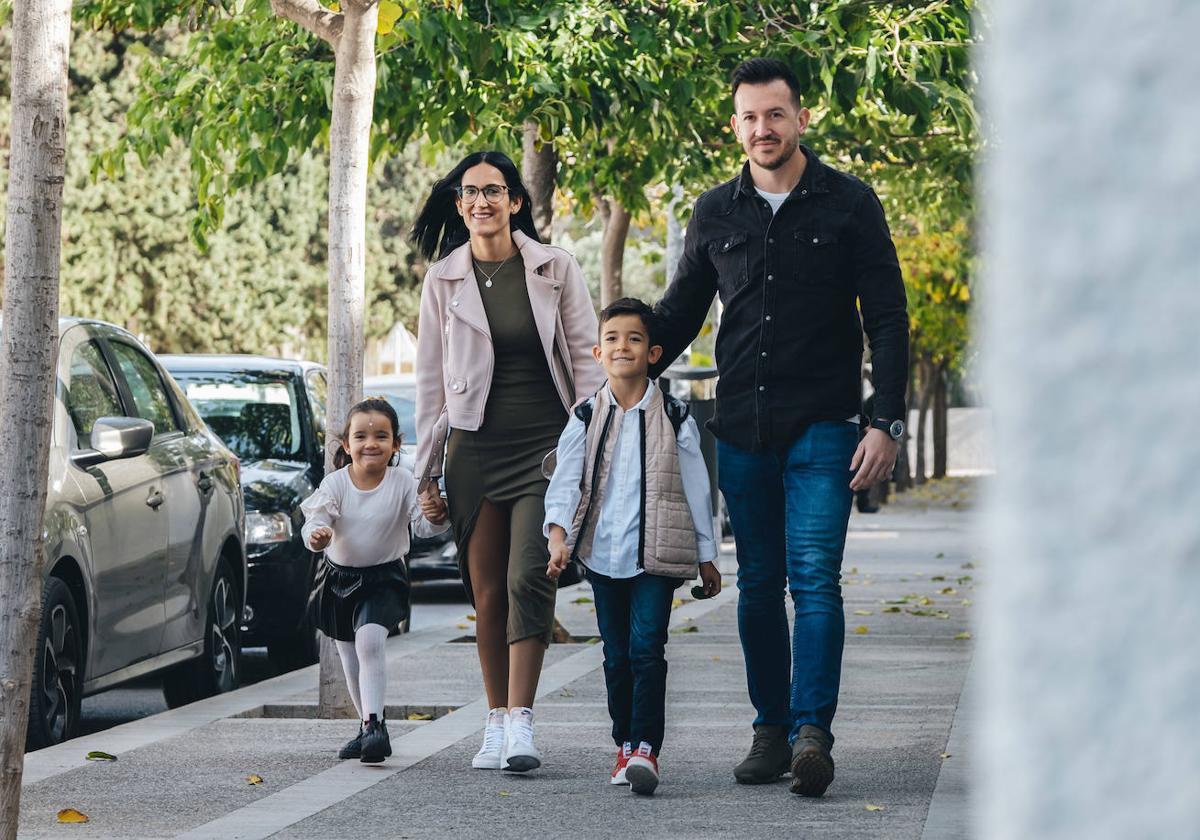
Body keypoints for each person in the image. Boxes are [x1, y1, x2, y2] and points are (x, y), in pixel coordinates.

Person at [651, 58, 910, 797]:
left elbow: (887, 319)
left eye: (775, 114)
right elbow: (680, 315)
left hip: (826, 426)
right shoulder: (714, 213)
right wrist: (621, 362)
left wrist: (885, 422)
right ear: (734, 126)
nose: (762, 129)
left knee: (815, 581)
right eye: (749, 117)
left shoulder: (849, 204)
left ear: (801, 118)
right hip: (741, 427)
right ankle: (770, 730)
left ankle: (811, 735)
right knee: (758, 586)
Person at [412, 151, 605, 773]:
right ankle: (493, 722)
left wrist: (592, 447)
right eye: (469, 193)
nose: (481, 202)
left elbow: (585, 361)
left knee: (530, 575)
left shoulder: (555, 268)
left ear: (515, 202)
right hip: (474, 449)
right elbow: (429, 385)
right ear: (459, 204)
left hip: (545, 449)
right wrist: (425, 475)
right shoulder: (442, 280)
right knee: (487, 590)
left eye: (493, 191)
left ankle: (522, 720)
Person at [543, 297, 721, 796]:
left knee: (648, 649)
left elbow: (696, 486)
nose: (624, 347)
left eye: (635, 339)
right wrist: (557, 537)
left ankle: (646, 748)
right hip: (603, 555)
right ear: (598, 352)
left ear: (653, 352)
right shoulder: (583, 415)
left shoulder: (676, 415)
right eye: (614, 339)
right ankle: (624, 742)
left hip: (656, 558)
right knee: (616, 655)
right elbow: (566, 480)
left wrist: (707, 555)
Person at [301, 397, 449, 763]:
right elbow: (316, 520)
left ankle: (374, 727)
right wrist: (317, 534)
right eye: (361, 436)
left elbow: (424, 526)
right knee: (349, 658)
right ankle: (368, 723)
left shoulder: (403, 481)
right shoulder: (335, 484)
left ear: (396, 444)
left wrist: (437, 513)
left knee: (369, 642)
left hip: (384, 577)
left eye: (381, 436)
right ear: (347, 444)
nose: (371, 443)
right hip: (337, 580)